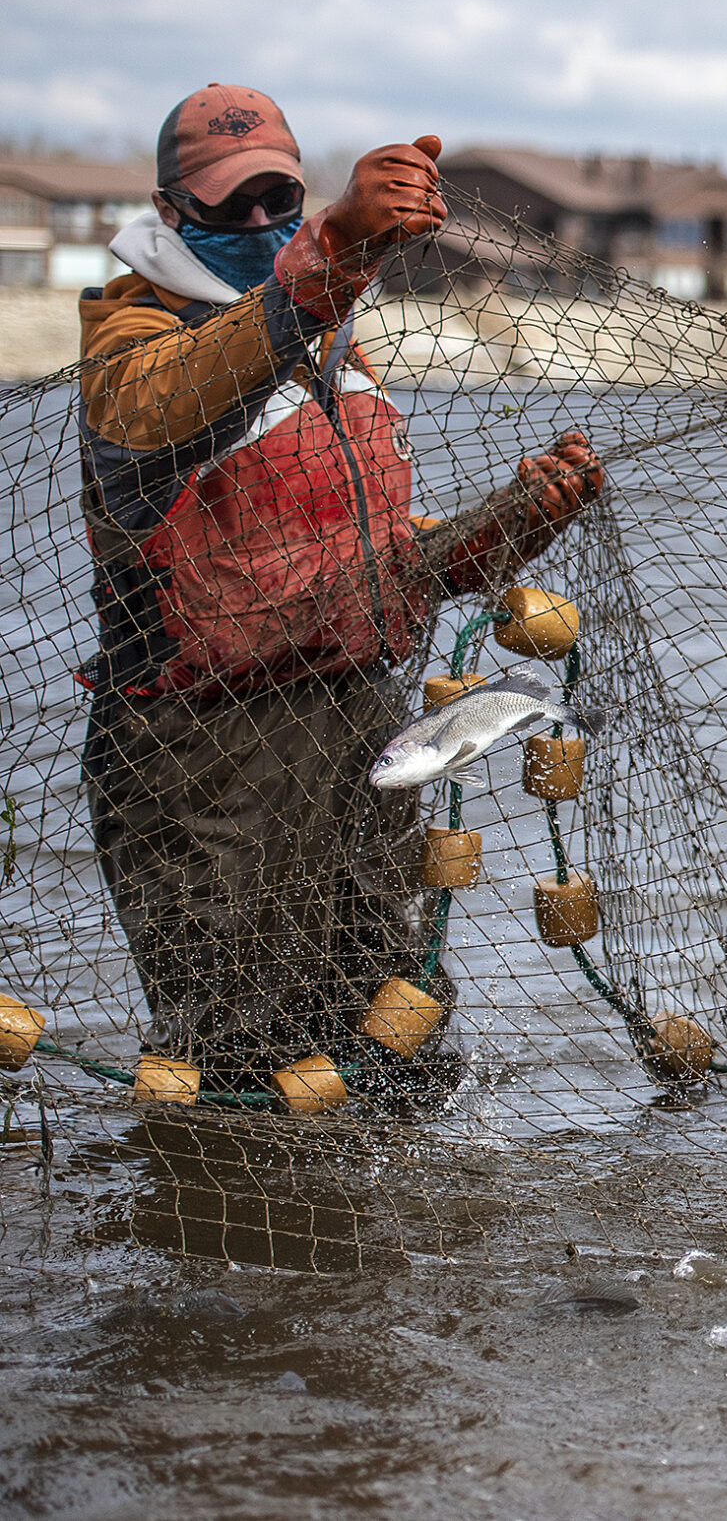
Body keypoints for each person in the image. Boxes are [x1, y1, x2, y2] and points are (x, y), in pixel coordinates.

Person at [79, 83, 605, 1094]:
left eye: (278, 197)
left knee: (389, 1032)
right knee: (234, 1054)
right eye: (230, 205)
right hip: (204, 760)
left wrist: (515, 522)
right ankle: (220, 1240)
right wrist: (324, 259)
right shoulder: (134, 342)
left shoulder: (333, 347)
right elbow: (162, 407)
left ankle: (387, 1246)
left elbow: (398, 563)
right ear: (170, 211)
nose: (259, 221)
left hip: (352, 734)